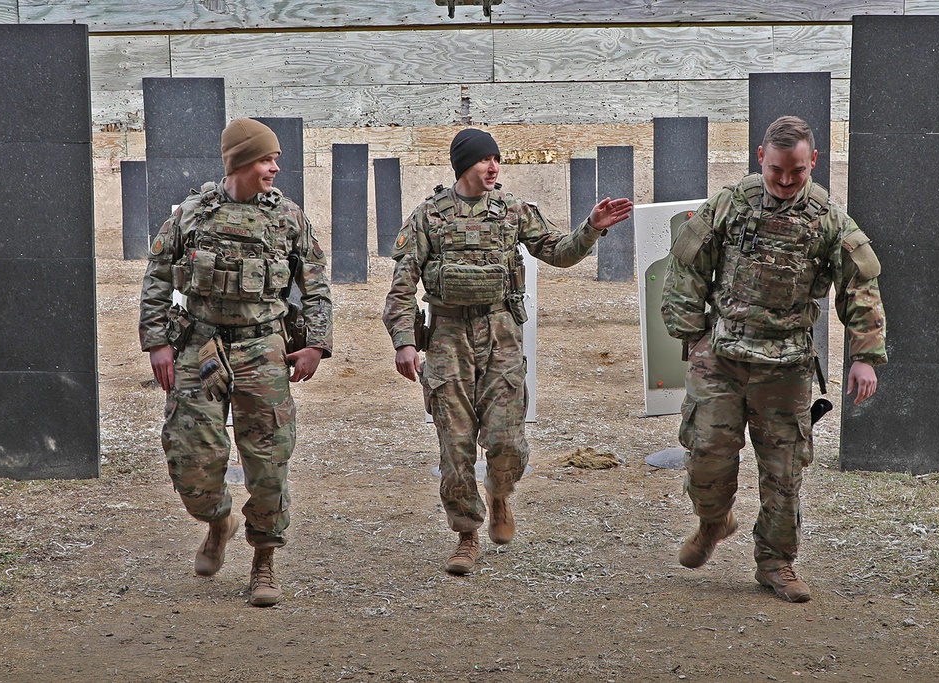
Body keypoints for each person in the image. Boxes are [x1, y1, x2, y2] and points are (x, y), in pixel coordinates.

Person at [383, 128, 634, 575]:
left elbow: (557, 251)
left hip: (501, 337)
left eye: (497, 159)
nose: (493, 167)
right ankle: (466, 535)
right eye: (484, 160)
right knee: (455, 447)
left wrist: (591, 228)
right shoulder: (427, 217)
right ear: (464, 166)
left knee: (506, 441)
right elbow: (402, 286)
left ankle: (500, 494)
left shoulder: (513, 210)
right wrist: (404, 342)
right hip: (447, 341)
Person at [660, 115, 887, 602]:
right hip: (720, 359)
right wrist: (692, 336)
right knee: (706, 456)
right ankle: (713, 521)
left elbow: (860, 285)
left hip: (785, 368)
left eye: (797, 172)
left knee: (784, 473)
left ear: (814, 163)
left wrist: (864, 356)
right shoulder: (728, 205)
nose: (785, 182)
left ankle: (776, 563)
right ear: (760, 157)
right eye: (777, 171)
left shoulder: (829, 219)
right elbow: (686, 266)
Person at [139, 118, 333, 607]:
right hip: (201, 347)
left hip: (263, 348)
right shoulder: (191, 214)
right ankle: (217, 520)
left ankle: (264, 560)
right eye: (267, 159)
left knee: (268, 461)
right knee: (190, 459)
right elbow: (158, 277)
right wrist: (157, 343)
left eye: (275, 160)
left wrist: (315, 343)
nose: (275, 167)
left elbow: (316, 285)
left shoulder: (287, 216)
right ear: (241, 161)